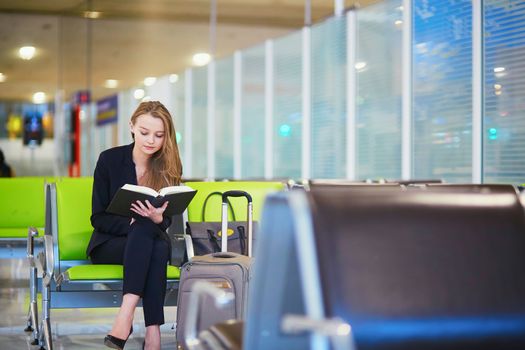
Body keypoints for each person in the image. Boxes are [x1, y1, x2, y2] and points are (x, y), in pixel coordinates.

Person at [86, 101, 182, 350]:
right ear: (132, 126)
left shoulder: (168, 167)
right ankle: (148, 329)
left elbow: (167, 219)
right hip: (109, 244)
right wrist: (132, 222)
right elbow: (98, 217)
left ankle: (129, 321)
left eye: (159, 135)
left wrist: (159, 219)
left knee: (154, 240)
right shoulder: (109, 160)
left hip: (148, 242)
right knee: (149, 236)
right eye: (144, 132)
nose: (151, 140)